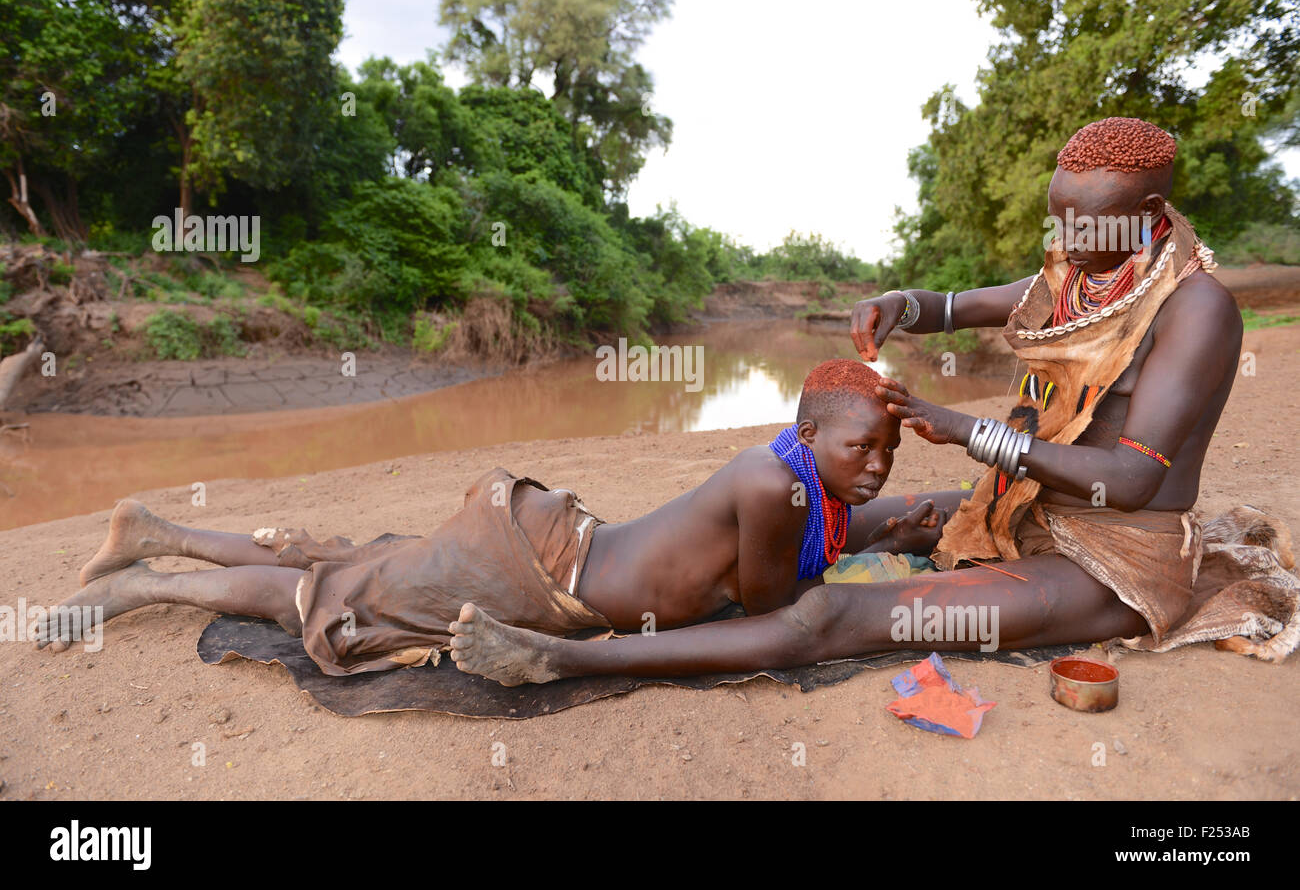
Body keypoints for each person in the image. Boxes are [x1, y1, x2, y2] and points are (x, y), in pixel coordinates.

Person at [447, 117, 1298, 686]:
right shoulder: (1078, 272)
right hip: (1036, 507)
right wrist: (902, 304)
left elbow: (1131, 479)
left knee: (833, 613)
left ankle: (561, 658)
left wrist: (971, 433)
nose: (1066, 247)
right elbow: (958, 307)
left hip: (1112, 560)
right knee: (894, 513)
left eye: (1088, 229)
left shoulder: (1197, 309)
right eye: (1058, 224)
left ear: (1149, 214)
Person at [38, 360, 950, 675]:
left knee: (353, 558)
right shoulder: (772, 486)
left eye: (887, 455)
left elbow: (791, 551)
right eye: (858, 449)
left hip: (548, 542)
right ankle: (145, 587)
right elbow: (768, 605)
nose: (873, 468)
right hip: (534, 574)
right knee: (324, 596)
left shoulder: (794, 478)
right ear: (805, 434)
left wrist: (877, 527)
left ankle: (157, 531)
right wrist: (864, 544)